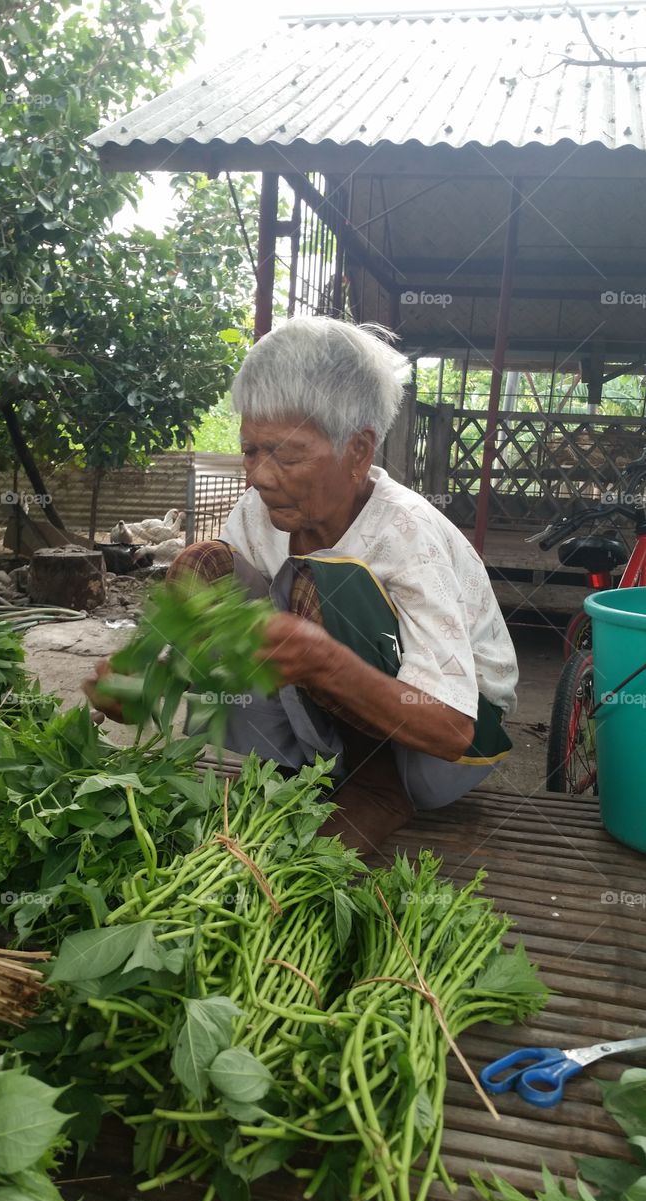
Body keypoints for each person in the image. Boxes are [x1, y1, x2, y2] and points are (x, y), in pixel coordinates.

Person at [86, 317, 518, 859]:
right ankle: (301, 767)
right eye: (250, 450)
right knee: (207, 566)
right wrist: (146, 681)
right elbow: (222, 634)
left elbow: (452, 729)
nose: (259, 477)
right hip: (326, 738)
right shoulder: (258, 512)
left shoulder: (406, 533)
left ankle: (377, 789)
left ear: (358, 452)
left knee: (321, 586)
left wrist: (326, 663)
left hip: (441, 753)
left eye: (286, 455)